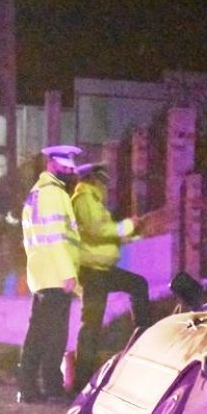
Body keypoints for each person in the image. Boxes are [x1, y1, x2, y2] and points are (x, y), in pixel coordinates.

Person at [71, 162, 150, 389]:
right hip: (92, 271)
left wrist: (133, 234)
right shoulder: (84, 199)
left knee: (138, 285)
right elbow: (98, 230)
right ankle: (80, 382)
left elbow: (107, 235)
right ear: (93, 179)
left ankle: (142, 335)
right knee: (91, 326)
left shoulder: (94, 201)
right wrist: (128, 226)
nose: (106, 185)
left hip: (102, 270)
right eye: (103, 180)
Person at [16, 144, 83, 404]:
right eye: (65, 168)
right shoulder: (54, 194)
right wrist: (68, 273)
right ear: (51, 165)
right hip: (55, 275)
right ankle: (47, 388)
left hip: (42, 273)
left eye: (70, 169)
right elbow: (57, 239)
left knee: (41, 332)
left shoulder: (36, 194)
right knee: (52, 336)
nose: (69, 173)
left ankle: (32, 387)